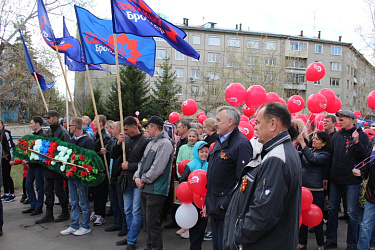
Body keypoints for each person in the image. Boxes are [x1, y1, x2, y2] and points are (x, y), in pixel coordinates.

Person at [223, 102, 301, 249]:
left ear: (273, 124)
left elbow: (264, 214)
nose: (255, 126)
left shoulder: (276, 158)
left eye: (258, 122)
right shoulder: (279, 151)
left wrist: (237, 237)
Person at [206, 106, 253, 250]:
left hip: (227, 209)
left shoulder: (242, 144)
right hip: (215, 205)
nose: (215, 124)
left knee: (225, 246)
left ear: (230, 122)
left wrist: (225, 202)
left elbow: (243, 180)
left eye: (219, 120)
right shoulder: (220, 141)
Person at [324, 110, 371, 249]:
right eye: (339, 119)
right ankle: (331, 239)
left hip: (352, 181)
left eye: (342, 119)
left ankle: (351, 243)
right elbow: (330, 157)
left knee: (351, 212)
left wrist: (356, 142)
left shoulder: (361, 136)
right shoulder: (337, 136)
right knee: (332, 209)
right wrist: (326, 176)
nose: (339, 122)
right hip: (335, 179)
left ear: (351, 119)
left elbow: (365, 157)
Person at [134, 116, 174, 250]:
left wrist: (143, 179)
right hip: (146, 187)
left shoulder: (166, 144)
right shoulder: (151, 142)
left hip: (156, 190)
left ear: (154, 127)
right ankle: (149, 246)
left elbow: (158, 169)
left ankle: (156, 248)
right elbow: (142, 162)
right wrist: (136, 177)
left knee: (153, 224)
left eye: (148, 127)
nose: (146, 129)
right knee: (148, 223)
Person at [115, 117, 150, 249]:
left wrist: (129, 166)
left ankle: (131, 240)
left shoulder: (146, 141)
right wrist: (118, 143)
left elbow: (145, 163)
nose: (124, 132)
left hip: (137, 180)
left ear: (134, 127)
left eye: (126, 129)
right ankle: (130, 235)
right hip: (126, 181)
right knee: (127, 210)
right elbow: (113, 155)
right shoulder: (126, 140)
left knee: (136, 211)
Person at [60, 117, 95, 236]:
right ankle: (74, 225)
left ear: (75, 127)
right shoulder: (72, 140)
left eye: (70, 125)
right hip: (72, 175)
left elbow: (89, 160)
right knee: (74, 201)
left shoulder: (88, 141)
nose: (68, 127)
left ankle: (86, 225)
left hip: (81, 176)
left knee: (83, 202)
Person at [297, 131, 332, 250]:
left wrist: (302, 143)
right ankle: (302, 243)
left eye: (317, 139)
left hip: (316, 190)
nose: (314, 140)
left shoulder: (325, 155)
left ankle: (320, 244)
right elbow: (298, 154)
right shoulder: (310, 150)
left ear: (324, 143)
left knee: (316, 218)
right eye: (313, 138)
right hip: (304, 189)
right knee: (302, 217)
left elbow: (312, 160)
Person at [37, 110, 70, 224]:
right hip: (48, 166)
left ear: (55, 118)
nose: (47, 120)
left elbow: (66, 149)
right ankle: (49, 214)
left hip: (56, 167)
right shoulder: (50, 130)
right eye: (46, 118)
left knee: (59, 190)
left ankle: (65, 212)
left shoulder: (63, 132)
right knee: (48, 191)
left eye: (49, 118)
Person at [180, 141, 209, 250]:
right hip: (192, 203)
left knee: (201, 228)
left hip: (204, 203)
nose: (204, 154)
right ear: (197, 152)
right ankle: (194, 247)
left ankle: (197, 247)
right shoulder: (190, 165)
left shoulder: (209, 166)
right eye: (201, 152)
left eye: (206, 152)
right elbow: (183, 181)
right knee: (193, 227)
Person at [104, 121, 126, 235]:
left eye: (112, 128)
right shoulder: (114, 141)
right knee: (115, 202)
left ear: (118, 130)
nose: (110, 130)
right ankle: (117, 223)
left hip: (119, 176)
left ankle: (124, 225)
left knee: (121, 203)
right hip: (112, 175)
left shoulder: (124, 142)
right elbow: (112, 154)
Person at [91, 115, 112, 226]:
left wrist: (103, 153)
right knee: (95, 192)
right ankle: (96, 211)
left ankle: (101, 215)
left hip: (102, 169)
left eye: (95, 121)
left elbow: (107, 153)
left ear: (101, 123)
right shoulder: (96, 135)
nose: (92, 123)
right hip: (95, 168)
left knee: (101, 193)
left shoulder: (106, 136)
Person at [22, 116, 46, 216]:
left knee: (39, 187)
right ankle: (33, 204)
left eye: (32, 123)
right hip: (31, 165)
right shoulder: (33, 135)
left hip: (38, 165)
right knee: (28, 185)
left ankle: (38, 207)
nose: (30, 125)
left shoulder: (43, 135)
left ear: (37, 124)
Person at [354, 147, 375, 250]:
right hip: (372, 197)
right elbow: (364, 172)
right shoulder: (372, 154)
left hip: (371, 196)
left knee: (366, 226)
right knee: (366, 226)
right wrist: (359, 173)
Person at [0, 119, 16, 202]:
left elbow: (10, 146)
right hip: (1, 157)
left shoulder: (5, 133)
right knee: (3, 175)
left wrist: (12, 158)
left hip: (6, 157)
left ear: (2, 125)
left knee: (7, 175)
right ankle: (6, 192)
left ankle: (12, 193)